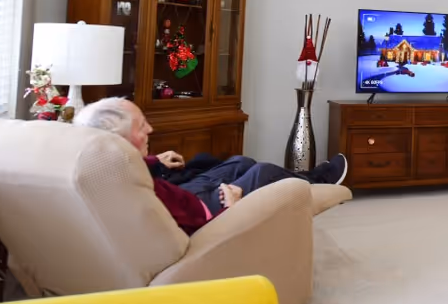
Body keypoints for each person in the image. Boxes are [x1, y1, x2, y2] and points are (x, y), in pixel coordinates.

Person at [74, 98, 347, 234]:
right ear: (116, 140)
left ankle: (308, 175)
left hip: (186, 194)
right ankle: (317, 179)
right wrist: (230, 207)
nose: (150, 128)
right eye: (140, 126)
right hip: (208, 210)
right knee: (261, 171)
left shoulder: (109, 165)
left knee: (240, 162)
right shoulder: (135, 189)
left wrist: (154, 161)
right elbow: (207, 232)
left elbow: (135, 170)